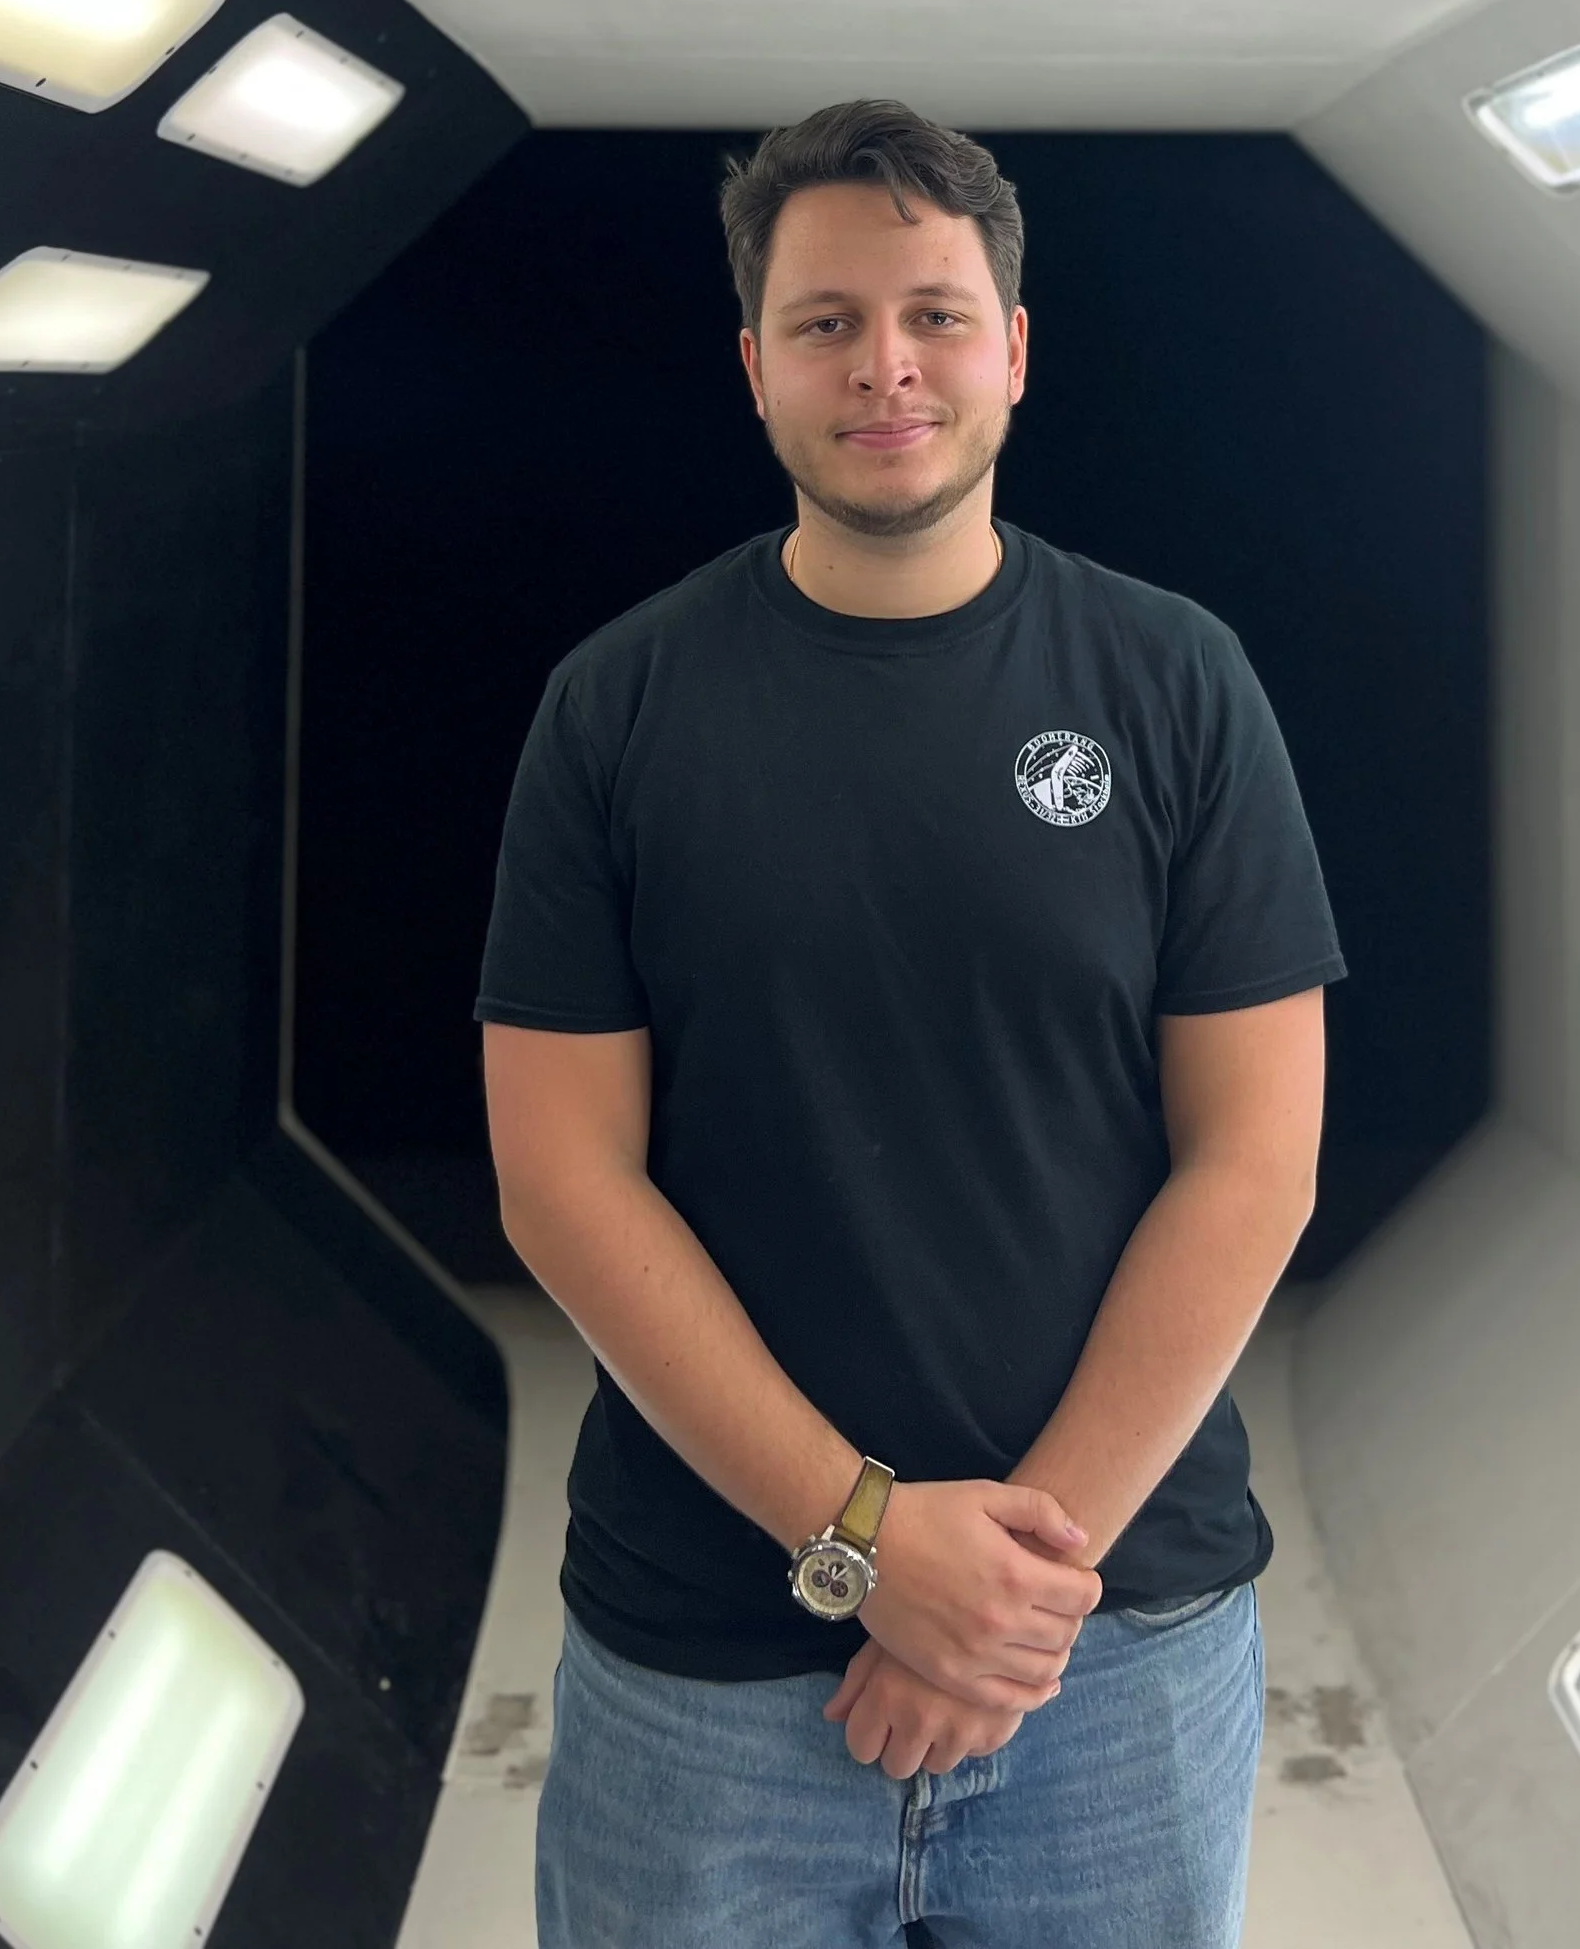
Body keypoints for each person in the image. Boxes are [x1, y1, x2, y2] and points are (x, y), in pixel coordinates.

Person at [476, 96, 1345, 1949]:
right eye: (827, 323)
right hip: (710, 1675)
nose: (886, 365)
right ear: (755, 368)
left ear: (1012, 350)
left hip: (1110, 1654)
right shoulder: (616, 711)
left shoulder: (1176, 683)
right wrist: (865, 1544)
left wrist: (1002, 1598)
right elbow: (563, 1182)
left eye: (935, 315)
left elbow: (1254, 1161)